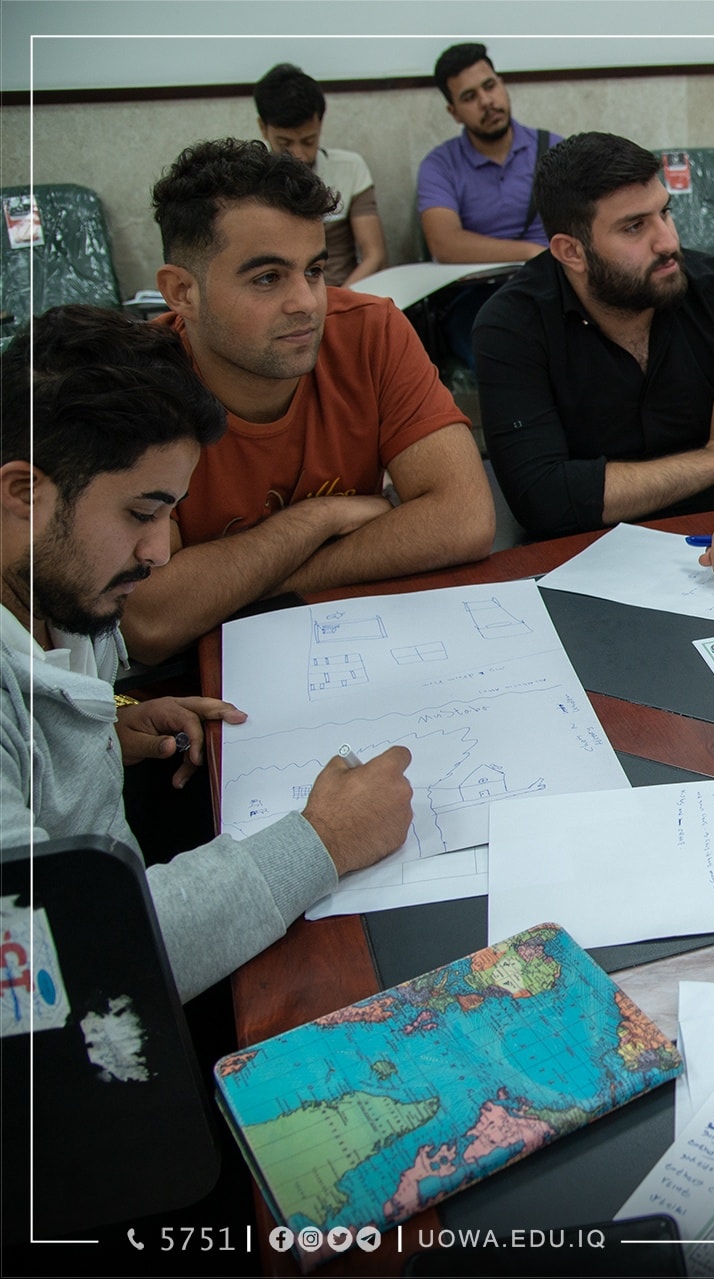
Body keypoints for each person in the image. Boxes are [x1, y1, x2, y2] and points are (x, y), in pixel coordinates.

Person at [0, 306, 415, 1002]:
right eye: (141, 514)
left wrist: (103, 727)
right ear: (23, 492)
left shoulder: (53, 587)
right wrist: (323, 840)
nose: (158, 551)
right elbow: (56, 961)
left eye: (170, 513)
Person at [124, 138, 494, 665]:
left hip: (364, 646)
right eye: (267, 278)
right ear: (182, 292)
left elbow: (464, 519)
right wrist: (320, 518)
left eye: (315, 271)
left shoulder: (371, 330)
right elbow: (150, 618)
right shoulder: (138, 387)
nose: (306, 303)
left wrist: (232, 584)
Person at [473, 132, 714, 572]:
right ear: (571, 252)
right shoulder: (511, 326)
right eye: (634, 227)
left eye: (665, 212)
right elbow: (543, 497)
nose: (667, 242)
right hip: (580, 561)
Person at [416, 42, 564, 368]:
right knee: (504, 361)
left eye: (490, 86)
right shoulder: (440, 165)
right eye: (469, 97)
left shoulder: (554, 149)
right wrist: (529, 252)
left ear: (502, 84)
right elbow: (444, 244)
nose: (486, 101)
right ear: (454, 112)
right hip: (477, 297)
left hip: (552, 284)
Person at [252, 62, 387, 287]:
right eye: (285, 143)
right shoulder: (250, 184)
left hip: (345, 292)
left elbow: (375, 256)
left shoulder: (350, 168)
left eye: (308, 141)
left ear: (320, 123)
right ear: (263, 128)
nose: (298, 155)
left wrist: (339, 301)